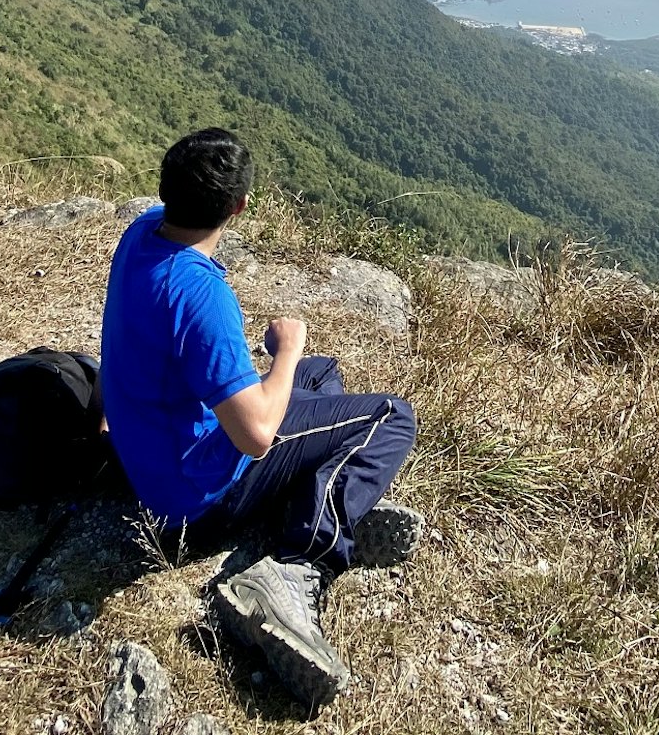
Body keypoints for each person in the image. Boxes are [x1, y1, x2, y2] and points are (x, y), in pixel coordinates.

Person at [99, 128, 421, 706]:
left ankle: (318, 495)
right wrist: (286, 351)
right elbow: (254, 435)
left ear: (166, 188)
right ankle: (299, 565)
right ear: (240, 206)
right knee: (390, 416)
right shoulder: (198, 295)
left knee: (320, 378)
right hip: (192, 502)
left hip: (149, 458)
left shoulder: (141, 233)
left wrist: (293, 369)